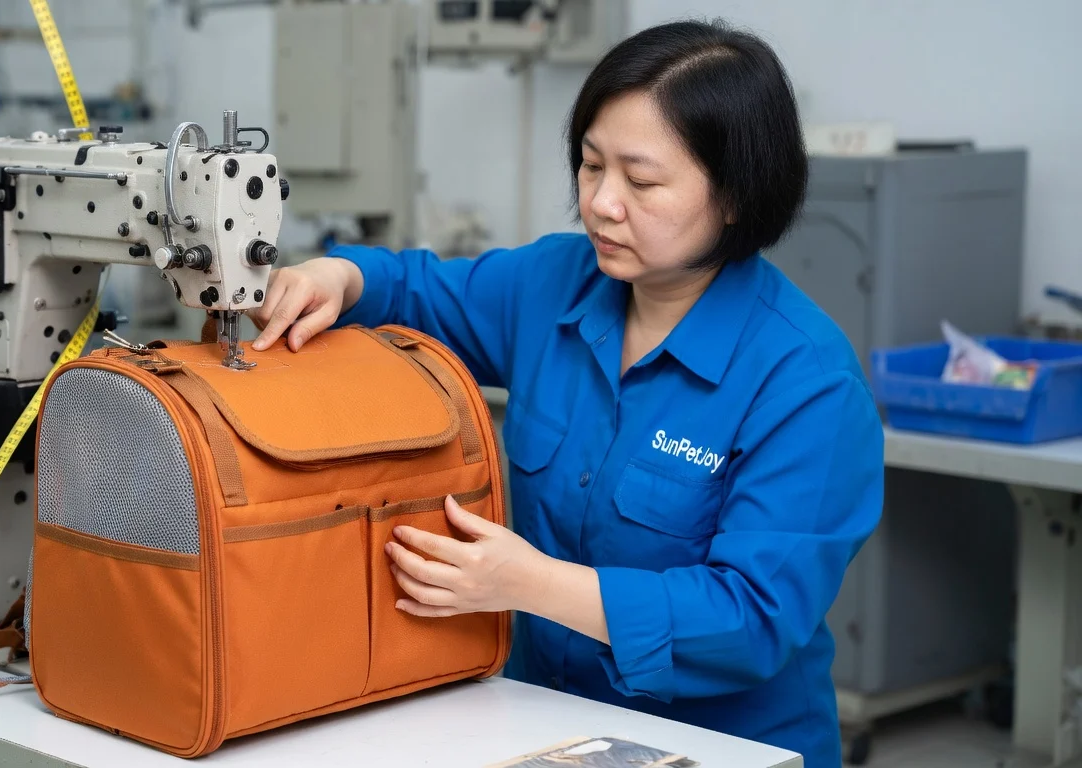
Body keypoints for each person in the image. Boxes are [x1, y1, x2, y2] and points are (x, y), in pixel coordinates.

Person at [249, 19, 883, 768]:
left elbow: (750, 619)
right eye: (590, 167)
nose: (602, 204)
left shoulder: (806, 381)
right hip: (542, 727)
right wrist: (339, 277)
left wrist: (530, 584)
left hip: (723, 747)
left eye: (642, 182)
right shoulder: (553, 281)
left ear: (737, 195)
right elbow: (416, 289)